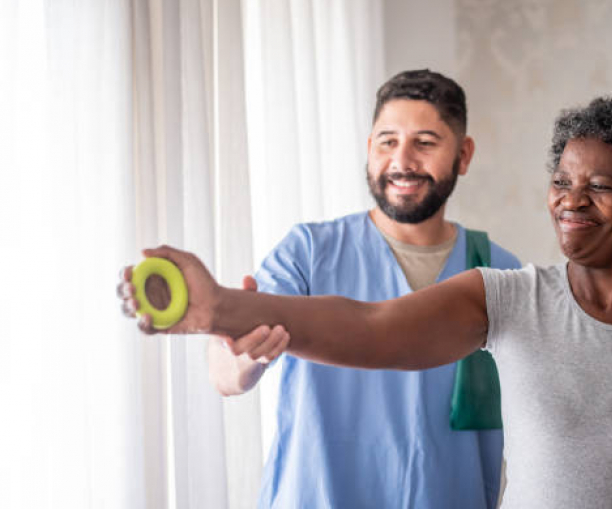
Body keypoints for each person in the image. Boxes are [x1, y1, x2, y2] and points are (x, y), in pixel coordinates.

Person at [119, 97, 612, 508]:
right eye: (561, 182)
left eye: (601, 186)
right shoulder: (505, 296)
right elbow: (369, 326)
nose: (571, 199)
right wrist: (216, 308)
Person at [146, 69, 520, 508]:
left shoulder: (499, 271)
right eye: (387, 141)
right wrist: (244, 354)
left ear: (463, 154)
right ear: (368, 150)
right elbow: (225, 373)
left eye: (425, 142)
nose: (402, 161)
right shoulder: (307, 252)